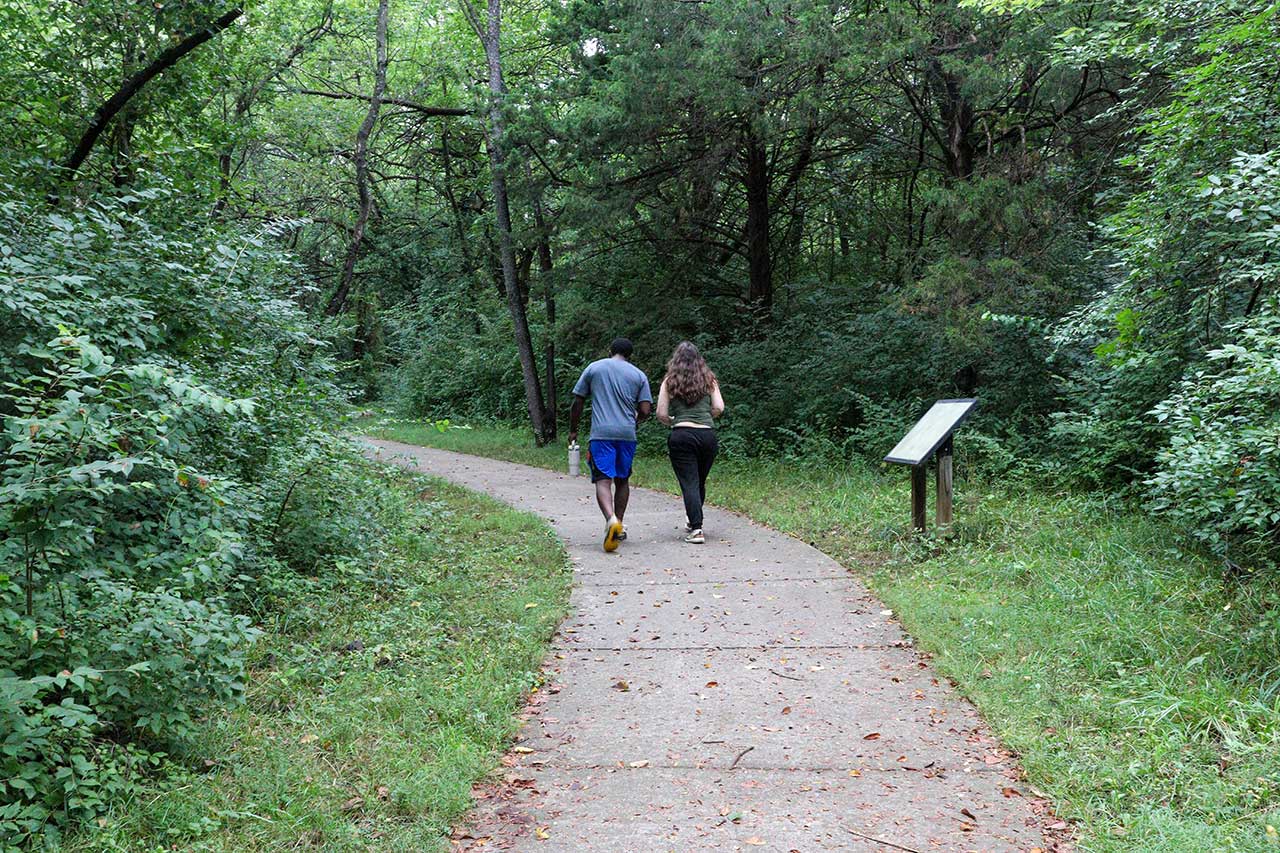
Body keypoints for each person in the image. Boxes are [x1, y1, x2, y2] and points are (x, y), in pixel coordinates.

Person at [568, 338, 652, 552]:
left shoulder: (594, 368)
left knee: (603, 480)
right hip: (626, 434)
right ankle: (619, 525)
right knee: (622, 480)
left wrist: (573, 430)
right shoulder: (638, 375)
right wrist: (634, 421)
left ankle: (611, 519)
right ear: (629, 355)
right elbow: (645, 410)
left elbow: (578, 401)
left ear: (610, 351)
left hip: (601, 434)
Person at [656, 341, 725, 544]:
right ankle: (694, 518)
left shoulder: (669, 381)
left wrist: (673, 421)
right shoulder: (709, 380)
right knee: (699, 480)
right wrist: (705, 416)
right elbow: (719, 407)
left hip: (681, 436)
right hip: (707, 436)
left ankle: (696, 528)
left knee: (689, 482)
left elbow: (661, 413)